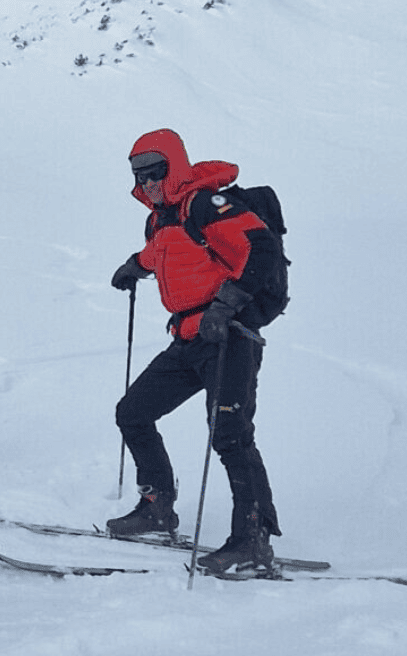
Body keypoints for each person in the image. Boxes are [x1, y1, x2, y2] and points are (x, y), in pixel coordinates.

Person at [108, 128, 285, 574]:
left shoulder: (206, 204)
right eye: (139, 175)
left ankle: (252, 539)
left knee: (230, 435)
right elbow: (163, 252)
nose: (147, 182)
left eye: (154, 172)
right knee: (133, 412)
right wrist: (135, 266)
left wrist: (226, 305)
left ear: (175, 166)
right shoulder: (162, 217)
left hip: (230, 337)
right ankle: (157, 507)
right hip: (189, 339)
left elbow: (260, 247)